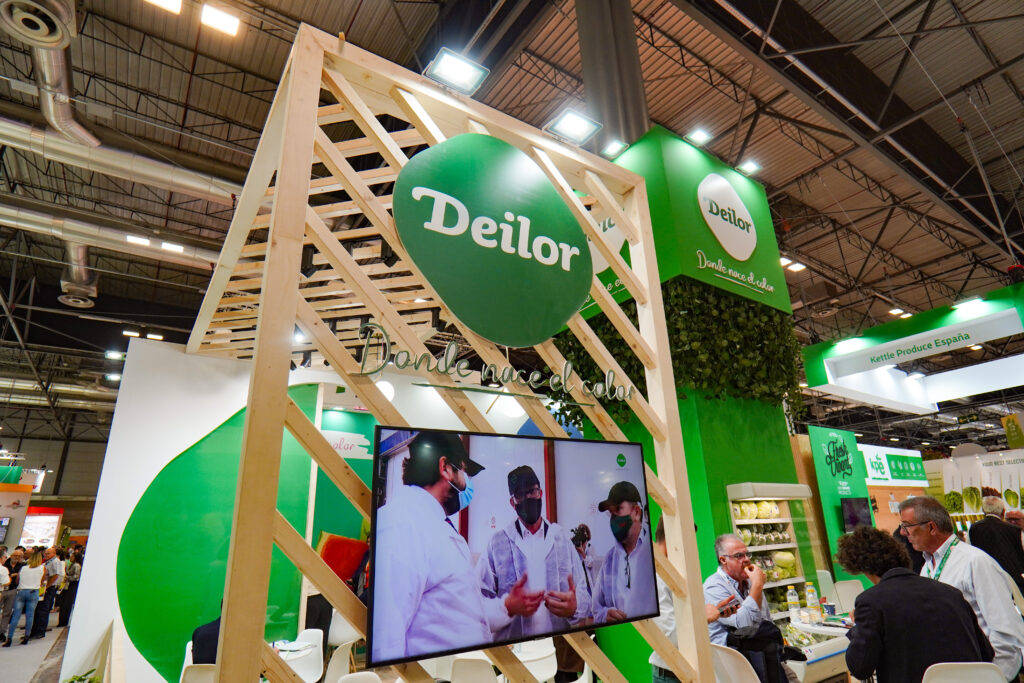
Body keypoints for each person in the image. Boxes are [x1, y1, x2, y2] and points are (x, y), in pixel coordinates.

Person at [370, 431, 490, 663]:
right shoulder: (401, 524)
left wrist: (506, 607)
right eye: (463, 470)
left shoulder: (432, 523)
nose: (468, 484)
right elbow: (386, 642)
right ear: (445, 468)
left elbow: (454, 606)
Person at [836, 525, 994, 682]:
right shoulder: (951, 593)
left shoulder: (871, 602)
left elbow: (860, 667)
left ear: (862, 567)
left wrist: (857, 627)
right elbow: (987, 653)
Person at [899, 496, 1024, 680]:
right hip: (954, 671)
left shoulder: (975, 562)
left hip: (983, 672)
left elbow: (1006, 630)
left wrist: (994, 676)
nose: (902, 532)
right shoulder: (928, 566)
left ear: (931, 527)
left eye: (907, 525)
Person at [478, 465, 590, 641]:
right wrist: (506, 607)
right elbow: (478, 604)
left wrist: (575, 607)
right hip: (513, 649)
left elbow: (584, 595)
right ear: (512, 502)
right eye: (520, 495)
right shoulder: (497, 544)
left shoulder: (561, 540)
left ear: (540, 493)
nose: (528, 498)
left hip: (558, 646)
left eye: (532, 491)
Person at [650, 517, 738, 683]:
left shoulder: (674, 574)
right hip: (672, 675)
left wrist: (715, 612)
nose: (691, 550)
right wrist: (703, 616)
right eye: (688, 542)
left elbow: (684, 618)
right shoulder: (656, 579)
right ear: (672, 539)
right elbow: (671, 636)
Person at [590, 481, 658, 624]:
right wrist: (605, 614)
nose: (614, 518)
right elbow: (596, 608)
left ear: (637, 512)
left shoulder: (653, 550)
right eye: (611, 513)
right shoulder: (609, 560)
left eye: (618, 509)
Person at [703, 534, 771, 647]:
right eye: (739, 556)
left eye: (747, 554)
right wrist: (757, 585)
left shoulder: (750, 581)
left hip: (757, 650)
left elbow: (765, 618)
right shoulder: (713, 586)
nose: (747, 559)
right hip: (731, 654)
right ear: (723, 560)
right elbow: (744, 625)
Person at [969, 496, 1024, 595]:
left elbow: (970, 553)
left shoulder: (973, 529)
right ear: (1003, 512)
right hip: (1012, 580)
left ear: (983, 511)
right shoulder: (1014, 530)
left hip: (984, 579)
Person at [4, 548, 45, 646]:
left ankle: (9, 638)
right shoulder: (42, 568)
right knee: (30, 615)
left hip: (21, 591)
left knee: (16, 615)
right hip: (33, 592)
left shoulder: (23, 568)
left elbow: (17, 581)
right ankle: (26, 637)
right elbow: (42, 581)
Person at [30, 546, 64, 638]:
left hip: (49, 588)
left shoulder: (55, 562)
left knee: (43, 610)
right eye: (45, 553)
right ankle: (34, 631)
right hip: (43, 587)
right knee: (38, 609)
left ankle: (40, 632)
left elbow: (55, 575)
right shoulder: (47, 561)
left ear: (54, 554)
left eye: (48, 553)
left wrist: (47, 586)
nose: (46, 554)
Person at [0, 547, 24, 641]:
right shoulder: (4, 564)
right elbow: (6, 581)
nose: (16, 557)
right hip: (2, 590)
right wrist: (11, 576)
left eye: (19, 556)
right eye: (15, 555)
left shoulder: (23, 566)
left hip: (13, 590)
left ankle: (2, 632)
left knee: (7, 612)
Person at [57, 550, 82, 627]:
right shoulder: (72, 565)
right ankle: (62, 620)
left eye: (72, 556)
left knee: (66, 604)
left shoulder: (76, 566)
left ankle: (64, 621)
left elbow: (76, 577)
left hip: (71, 586)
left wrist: (67, 577)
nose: (70, 557)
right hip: (67, 586)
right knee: (63, 604)